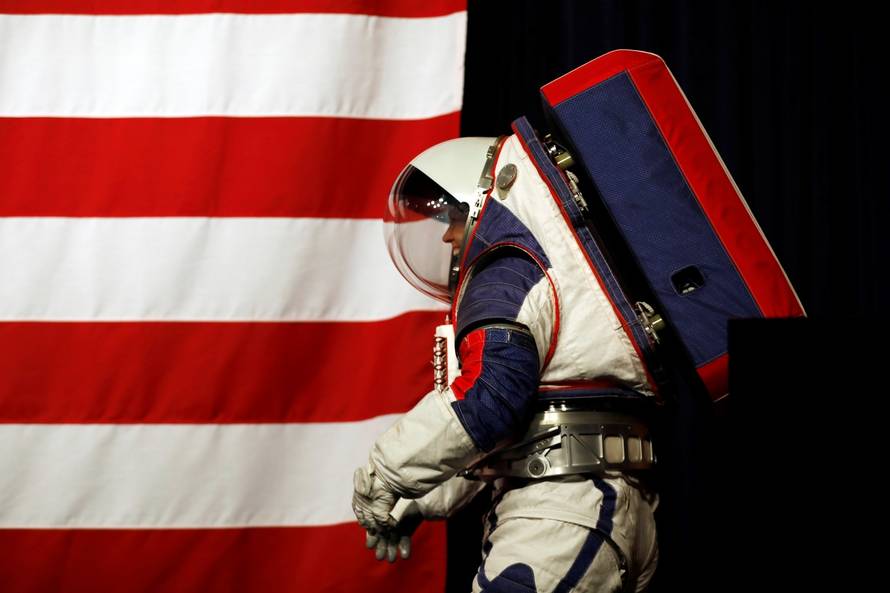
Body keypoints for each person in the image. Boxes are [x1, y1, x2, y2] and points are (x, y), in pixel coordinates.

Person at [353, 133, 660, 592]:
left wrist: (384, 475)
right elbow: (518, 426)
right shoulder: (541, 264)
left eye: (452, 218)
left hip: (561, 516)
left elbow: (490, 397)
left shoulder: (505, 273)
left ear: (480, 203)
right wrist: (424, 497)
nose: (447, 235)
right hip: (588, 504)